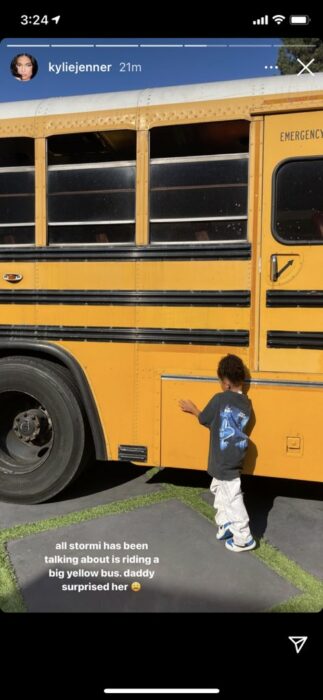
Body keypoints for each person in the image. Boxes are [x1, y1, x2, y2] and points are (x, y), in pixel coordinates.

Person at [179, 353, 256, 552]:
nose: (220, 385)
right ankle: (225, 524)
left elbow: (205, 418)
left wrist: (193, 408)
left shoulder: (220, 399)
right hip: (235, 455)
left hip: (223, 458)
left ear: (226, 384)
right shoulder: (247, 403)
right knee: (219, 488)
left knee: (232, 495)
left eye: (220, 381)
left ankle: (244, 537)